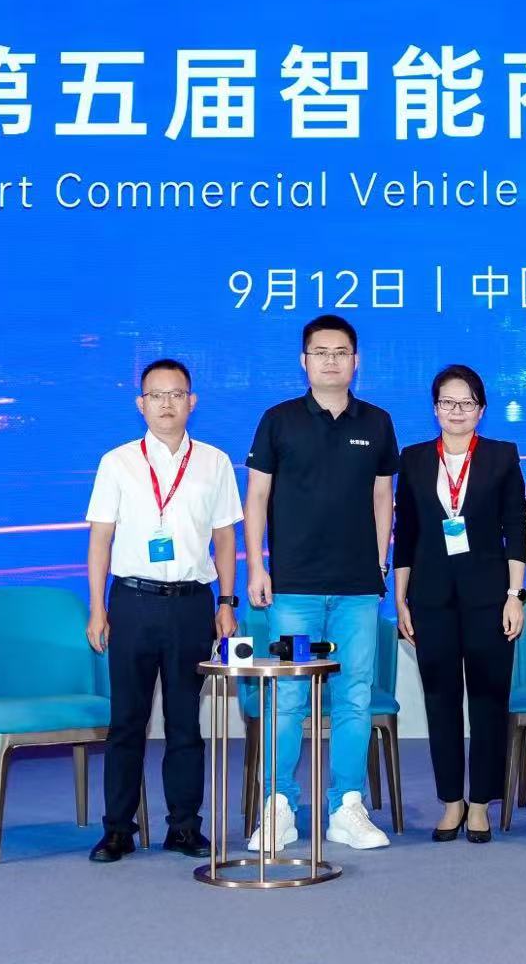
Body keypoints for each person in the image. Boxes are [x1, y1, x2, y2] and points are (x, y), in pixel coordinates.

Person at [243, 314, 400, 852]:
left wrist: (379, 564)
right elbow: (257, 497)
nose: (331, 360)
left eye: (341, 352)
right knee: (288, 696)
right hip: (295, 589)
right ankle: (279, 806)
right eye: (320, 352)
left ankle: (346, 806)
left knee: (354, 696)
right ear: (304, 361)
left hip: (357, 589)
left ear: (356, 361)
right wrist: (257, 566)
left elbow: (383, 497)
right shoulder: (278, 420)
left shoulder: (377, 422)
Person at [83, 358, 243, 862]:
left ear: (192, 402)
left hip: (191, 605)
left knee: (184, 724)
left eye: (176, 394)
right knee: (127, 722)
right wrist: (97, 608)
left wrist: (226, 602)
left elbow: (225, 538)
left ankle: (184, 827)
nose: (167, 404)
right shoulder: (117, 462)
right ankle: (117, 830)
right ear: (141, 404)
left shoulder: (215, 462)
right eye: (156, 395)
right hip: (131, 602)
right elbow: (100, 539)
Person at [394, 365, 526, 843]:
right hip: (430, 599)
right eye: (448, 403)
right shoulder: (413, 459)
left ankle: (481, 803)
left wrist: (515, 595)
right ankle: (451, 800)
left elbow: (516, 528)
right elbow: (406, 534)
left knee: (490, 698)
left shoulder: (500, 456)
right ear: (435, 409)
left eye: (466, 403)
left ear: (481, 410)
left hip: (490, 597)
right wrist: (401, 598)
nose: (457, 411)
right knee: (440, 699)